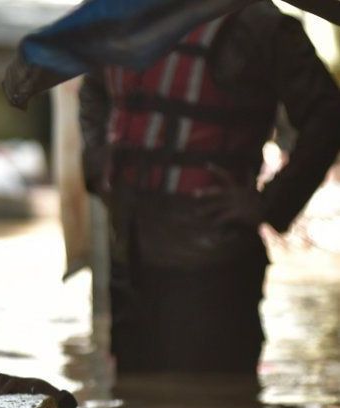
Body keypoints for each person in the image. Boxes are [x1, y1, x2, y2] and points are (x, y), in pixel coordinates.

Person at [79, 3, 340, 375]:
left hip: (213, 266)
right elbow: (93, 90)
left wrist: (269, 203)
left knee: (216, 407)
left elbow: (327, 116)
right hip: (130, 256)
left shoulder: (257, 23)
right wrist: (98, 160)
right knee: (136, 399)